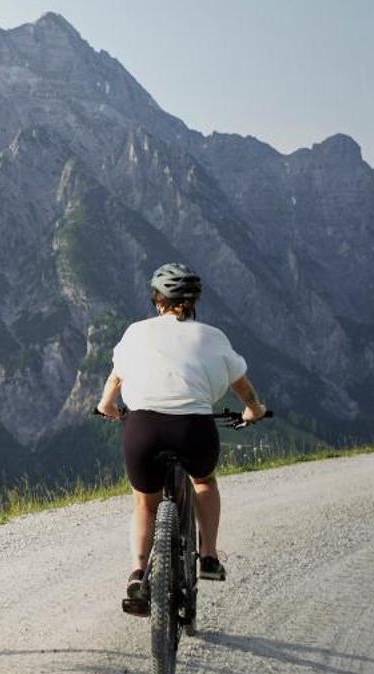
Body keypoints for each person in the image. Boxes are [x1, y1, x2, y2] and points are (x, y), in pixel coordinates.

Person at [96, 261, 265, 616]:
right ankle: (209, 556)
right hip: (194, 429)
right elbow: (242, 386)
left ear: (158, 300)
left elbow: (115, 381)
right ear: (193, 303)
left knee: (145, 502)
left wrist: (107, 407)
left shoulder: (136, 332)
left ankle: (138, 573)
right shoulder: (212, 336)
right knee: (203, 482)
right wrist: (254, 410)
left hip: (143, 429)